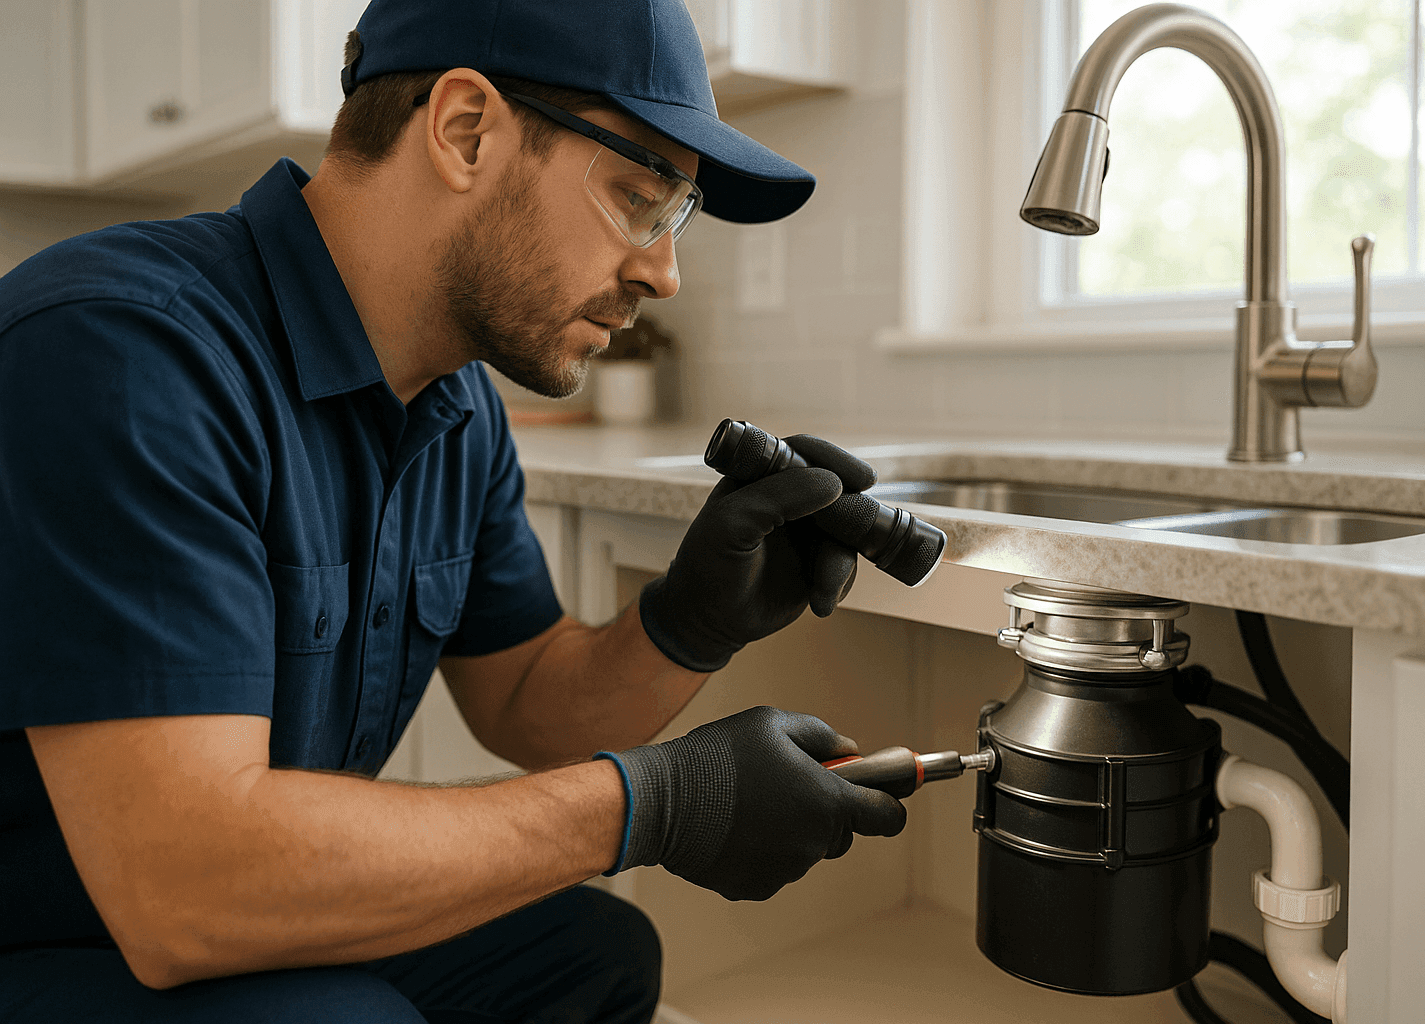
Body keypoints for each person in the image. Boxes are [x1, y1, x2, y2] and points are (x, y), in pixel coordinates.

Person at [0, 1, 907, 1020]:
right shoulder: (126, 353)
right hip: (66, 926)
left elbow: (526, 700)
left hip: (205, 904)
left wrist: (691, 621)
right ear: (465, 130)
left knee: (596, 956)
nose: (662, 271)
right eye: (639, 198)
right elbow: (187, 887)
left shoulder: (455, 405)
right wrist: (655, 801)